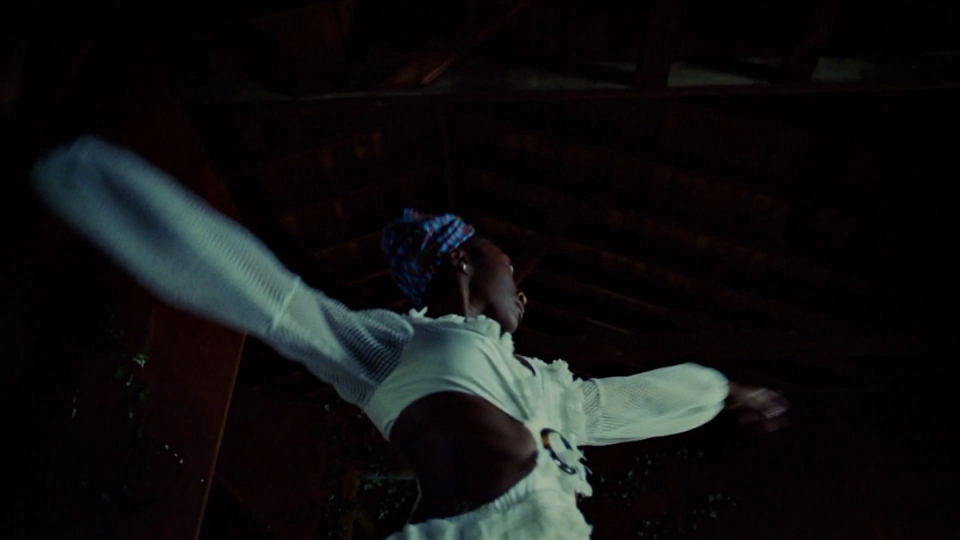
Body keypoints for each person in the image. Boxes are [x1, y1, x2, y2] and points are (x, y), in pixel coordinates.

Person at [31, 135, 789, 539]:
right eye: (508, 265)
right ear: (461, 259)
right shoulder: (392, 344)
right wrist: (90, 178)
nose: (521, 290)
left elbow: (634, 400)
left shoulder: (546, 390)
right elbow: (270, 299)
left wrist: (726, 390)